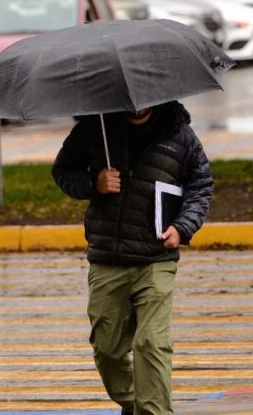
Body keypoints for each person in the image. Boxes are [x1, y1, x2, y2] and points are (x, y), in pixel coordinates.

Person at [52, 101, 213, 415]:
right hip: (108, 258)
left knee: (151, 344)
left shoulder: (179, 133)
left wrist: (182, 227)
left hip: (156, 259)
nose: (139, 105)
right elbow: (63, 171)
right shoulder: (94, 127)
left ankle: (153, 411)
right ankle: (139, 403)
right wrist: (93, 183)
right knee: (107, 349)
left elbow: (201, 184)